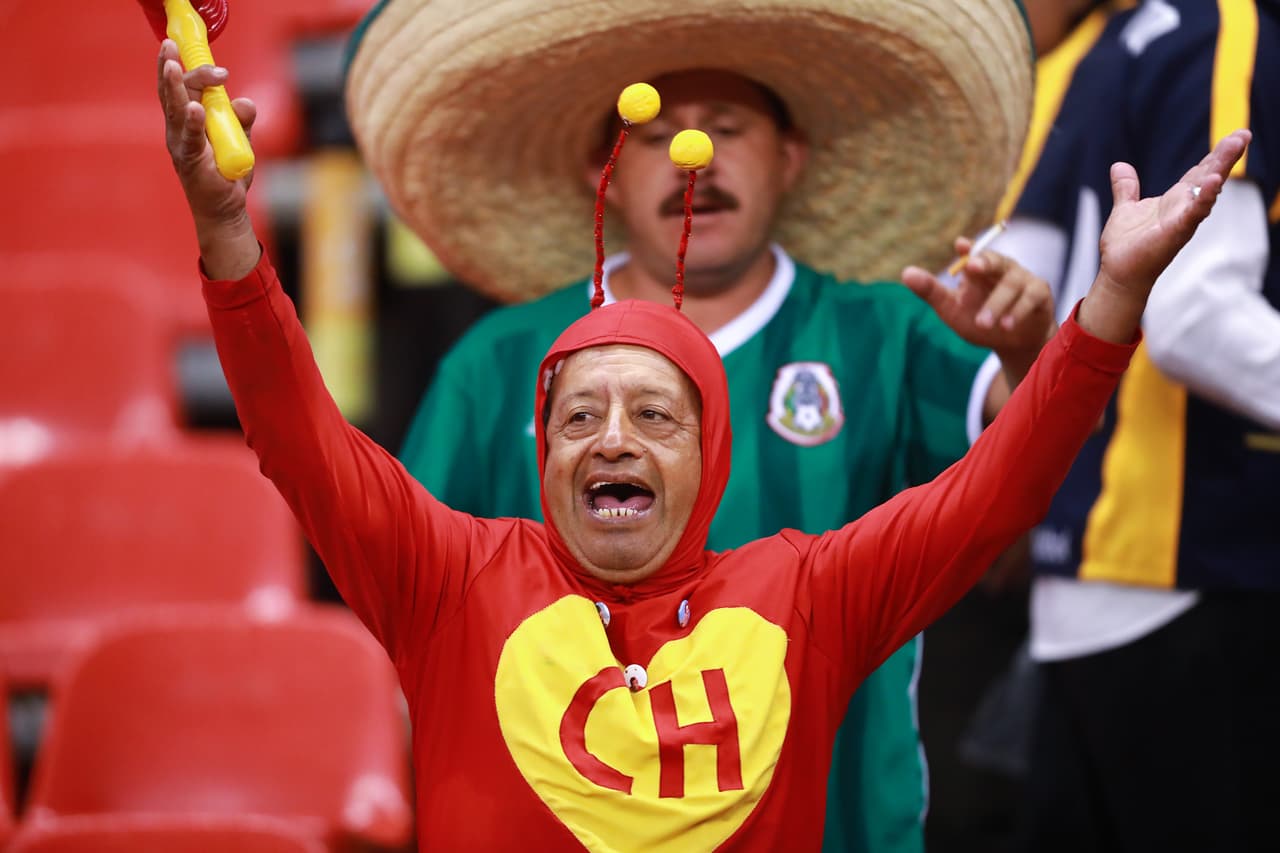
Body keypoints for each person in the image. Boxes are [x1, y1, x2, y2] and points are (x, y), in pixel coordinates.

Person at [383, 3, 1051, 848]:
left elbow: (1030, 464)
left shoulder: (883, 330)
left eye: (728, 128)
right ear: (607, 169)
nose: (695, 156)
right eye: (655, 133)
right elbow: (408, 600)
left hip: (841, 822)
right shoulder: (500, 359)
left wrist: (1033, 356)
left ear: (790, 157)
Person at [991, 1, 1280, 850]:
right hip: (1192, 563)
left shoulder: (1099, 44)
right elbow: (1195, 316)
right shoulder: (1224, 24)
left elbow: (1017, 278)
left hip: (1090, 565)